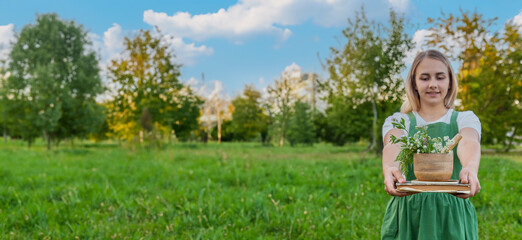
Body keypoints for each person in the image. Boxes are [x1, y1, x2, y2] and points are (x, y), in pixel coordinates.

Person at [380, 49, 482, 239]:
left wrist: (470, 167)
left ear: (450, 82)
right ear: (414, 83)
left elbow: (468, 140)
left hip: (451, 217)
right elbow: (393, 144)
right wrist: (390, 168)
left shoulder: (465, 118)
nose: (433, 84)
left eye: (440, 77)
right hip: (409, 215)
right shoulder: (400, 121)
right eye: (425, 78)